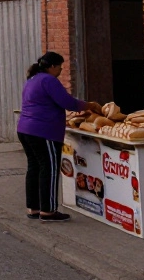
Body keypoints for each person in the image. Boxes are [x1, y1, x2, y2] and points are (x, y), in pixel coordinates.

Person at [17, 51, 101, 223]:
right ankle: (48, 211)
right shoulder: (48, 80)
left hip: (25, 129)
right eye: (60, 67)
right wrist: (90, 105)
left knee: (34, 168)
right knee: (49, 168)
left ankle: (34, 208)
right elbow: (68, 103)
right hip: (43, 131)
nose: (61, 70)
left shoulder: (32, 79)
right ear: (52, 66)